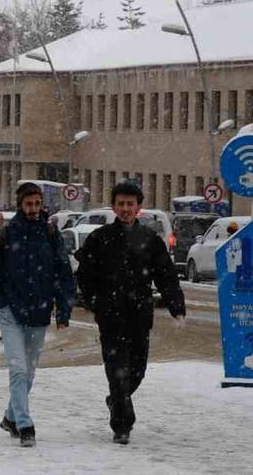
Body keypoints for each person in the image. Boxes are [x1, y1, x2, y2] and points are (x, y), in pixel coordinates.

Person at [75, 181, 186, 445]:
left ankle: (116, 399)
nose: (125, 209)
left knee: (137, 370)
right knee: (116, 370)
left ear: (139, 207)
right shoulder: (99, 238)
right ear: (113, 206)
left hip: (139, 315)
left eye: (130, 204)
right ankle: (122, 424)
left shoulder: (150, 240)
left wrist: (176, 306)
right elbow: (84, 275)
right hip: (110, 317)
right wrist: (94, 302)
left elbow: (166, 276)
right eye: (121, 204)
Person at [0, 182, 75, 448]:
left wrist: (63, 310)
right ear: (20, 205)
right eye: (28, 204)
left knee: (29, 371)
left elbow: (63, 273)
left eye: (37, 204)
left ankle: (10, 416)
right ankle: (25, 424)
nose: (33, 209)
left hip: (40, 311)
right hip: (11, 310)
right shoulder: (6, 234)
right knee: (18, 368)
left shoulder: (50, 234)